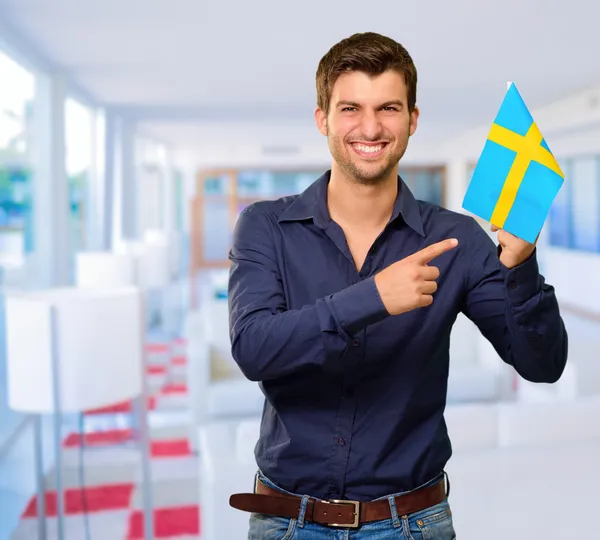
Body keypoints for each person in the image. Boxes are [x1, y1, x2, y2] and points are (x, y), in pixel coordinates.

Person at [227, 31, 568, 539]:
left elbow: (543, 365)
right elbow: (253, 348)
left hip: (411, 524)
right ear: (322, 118)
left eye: (388, 107)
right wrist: (372, 299)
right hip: (286, 522)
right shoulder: (265, 227)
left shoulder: (457, 240)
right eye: (350, 109)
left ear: (412, 119)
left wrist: (520, 265)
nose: (370, 127)